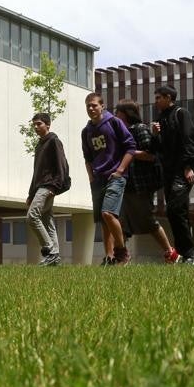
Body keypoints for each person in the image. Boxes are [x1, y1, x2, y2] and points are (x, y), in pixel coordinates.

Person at [113, 100, 178, 263]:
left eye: (118, 112)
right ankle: (121, 257)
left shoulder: (139, 129)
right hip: (126, 184)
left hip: (141, 185)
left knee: (148, 221)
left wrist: (130, 152)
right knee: (122, 223)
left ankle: (170, 253)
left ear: (126, 113)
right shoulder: (121, 131)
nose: (115, 115)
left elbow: (152, 155)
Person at [81, 93, 136, 265]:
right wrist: (91, 177)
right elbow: (88, 157)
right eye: (88, 106)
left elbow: (131, 147)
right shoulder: (86, 131)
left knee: (108, 213)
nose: (91, 108)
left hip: (115, 176)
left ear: (102, 106)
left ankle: (122, 251)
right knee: (103, 220)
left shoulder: (114, 122)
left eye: (94, 105)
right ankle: (109, 256)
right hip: (98, 178)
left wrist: (120, 170)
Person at [151, 85, 194, 263]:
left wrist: (189, 166)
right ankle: (187, 254)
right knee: (177, 211)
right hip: (169, 170)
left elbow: (190, 141)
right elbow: (158, 149)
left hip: (183, 169)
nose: (155, 101)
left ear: (168, 97)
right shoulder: (160, 118)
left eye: (158, 98)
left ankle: (189, 253)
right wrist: (155, 135)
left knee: (174, 209)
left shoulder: (182, 113)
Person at [26, 113, 71, 267]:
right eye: (34, 124)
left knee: (32, 216)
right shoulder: (39, 145)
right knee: (46, 219)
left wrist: (55, 186)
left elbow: (62, 165)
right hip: (39, 186)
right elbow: (36, 172)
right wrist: (30, 194)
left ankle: (49, 249)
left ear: (48, 125)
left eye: (39, 124)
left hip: (49, 185)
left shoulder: (54, 141)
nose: (36, 127)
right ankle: (55, 257)